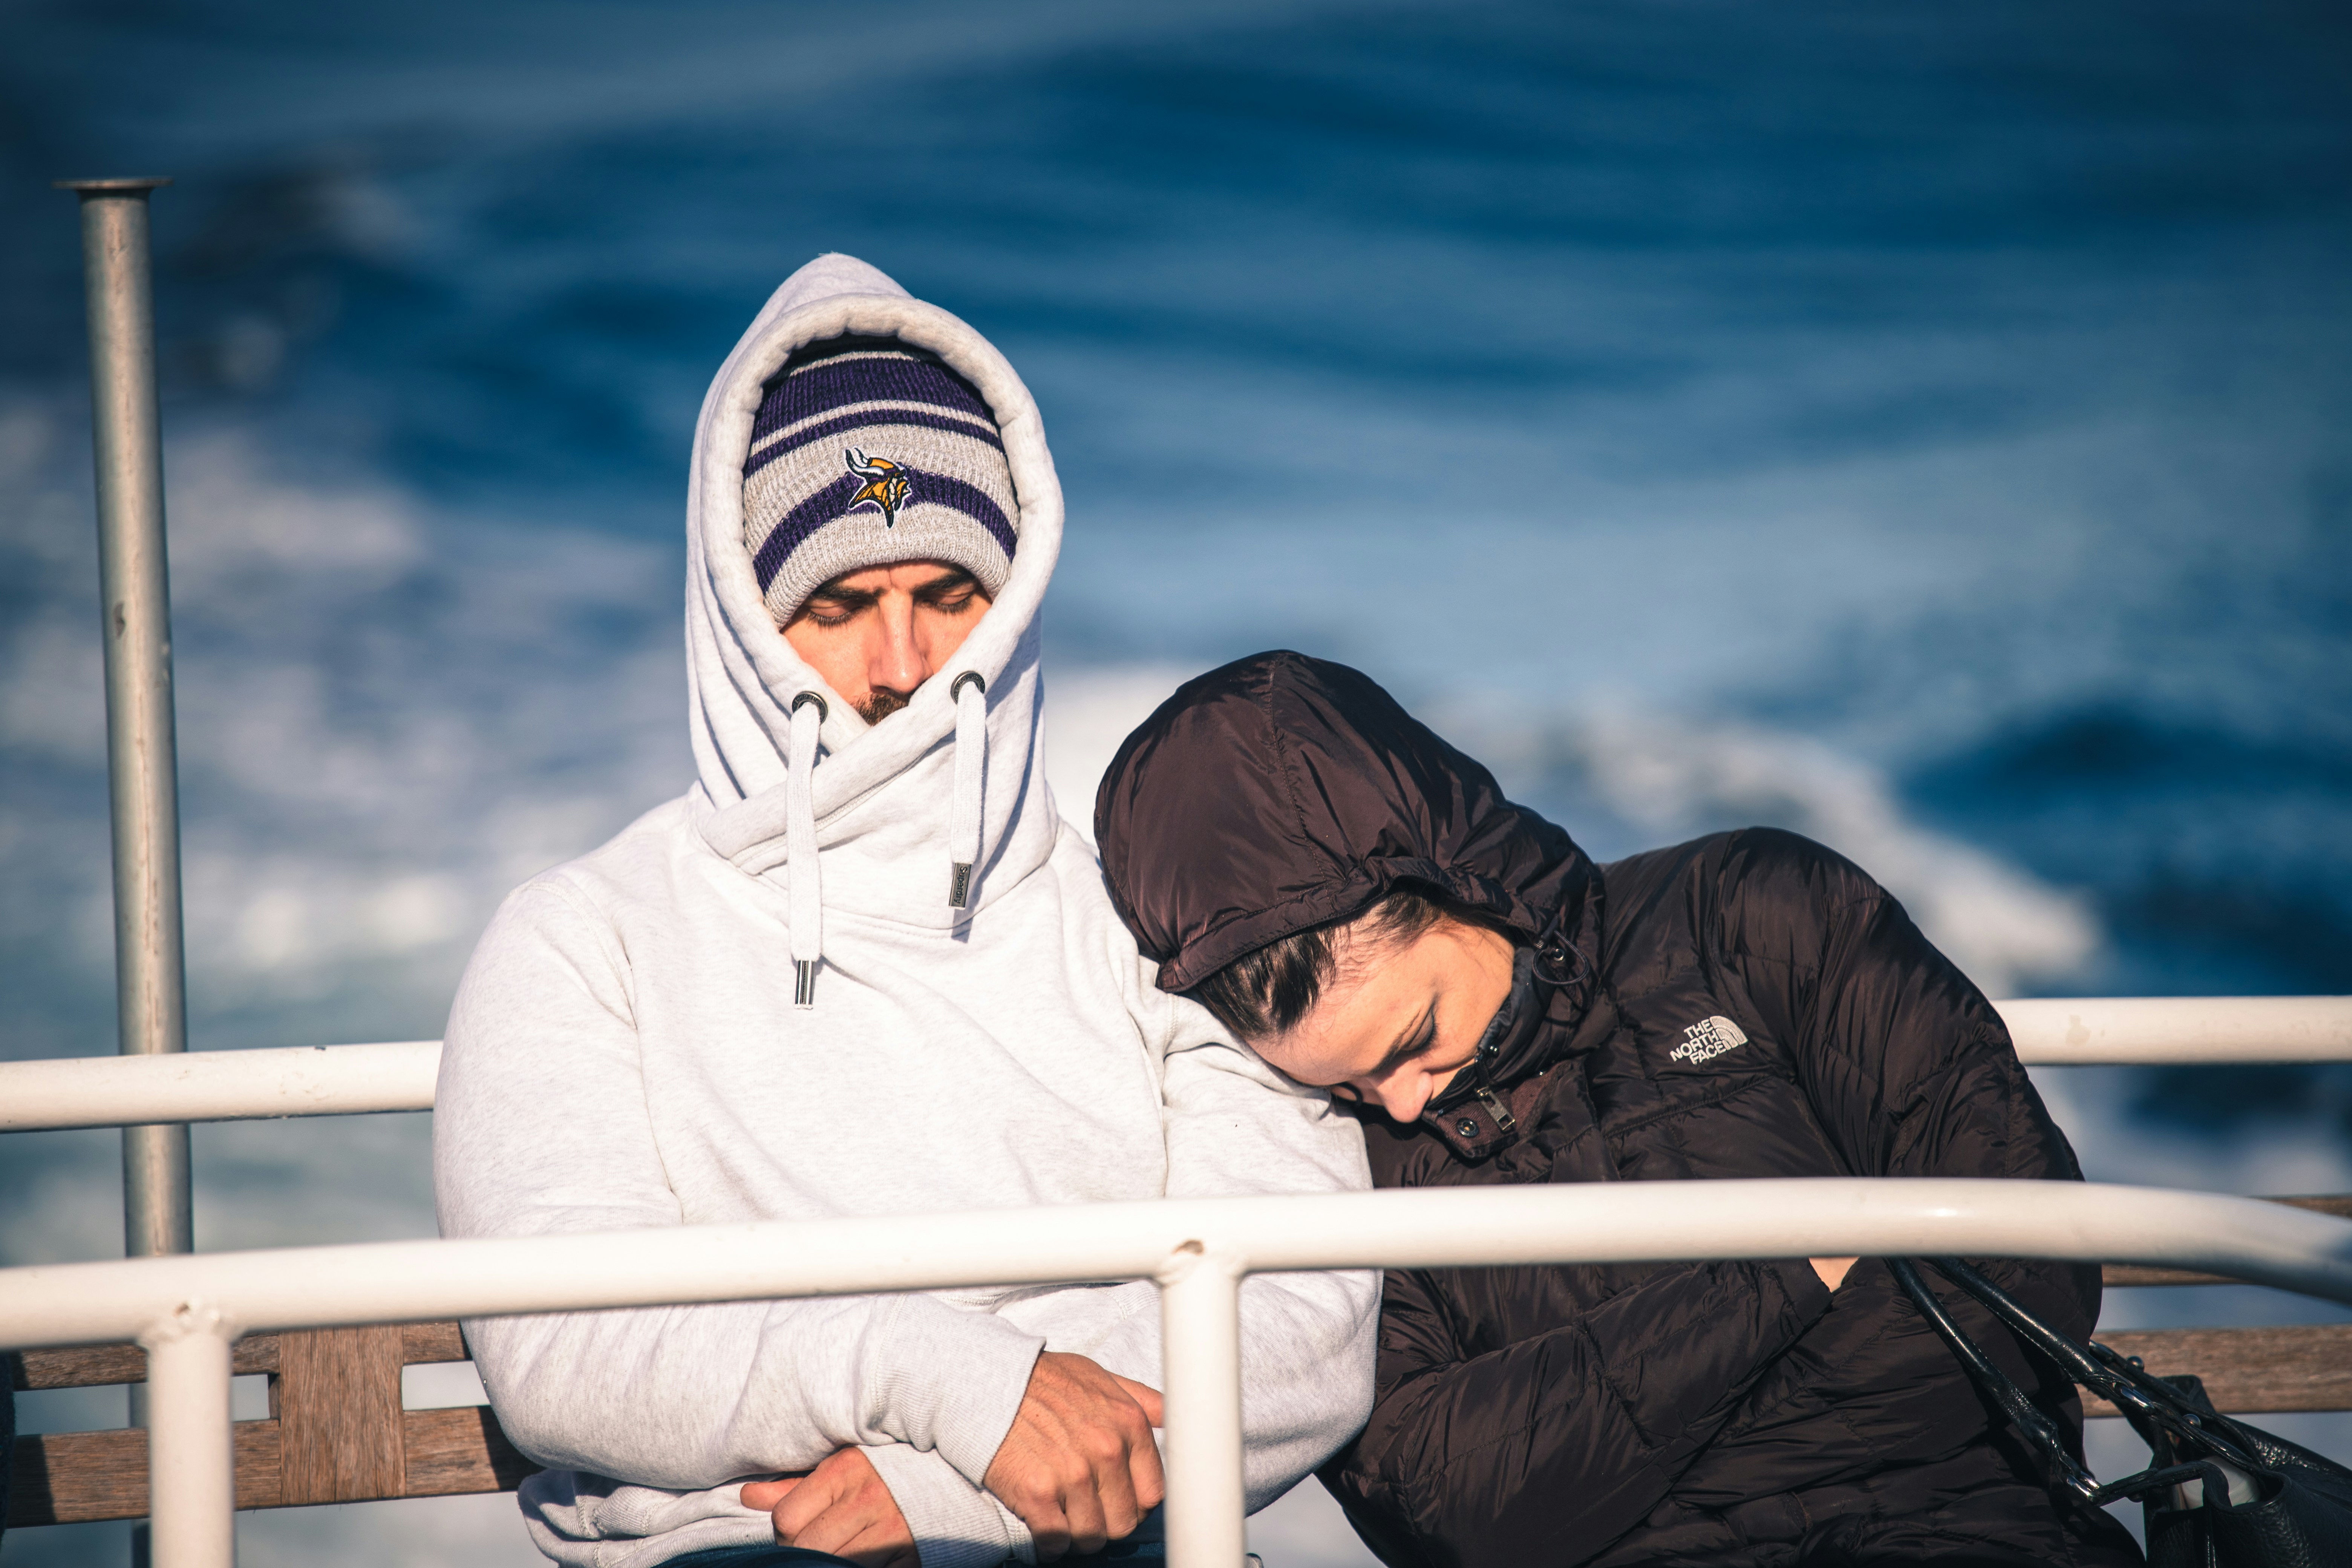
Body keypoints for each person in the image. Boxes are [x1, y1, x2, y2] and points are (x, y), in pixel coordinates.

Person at [433, 260, 1377, 1568]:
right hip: (742, 1548)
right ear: (745, 616)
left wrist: (961, 1489)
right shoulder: (584, 938)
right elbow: (566, 1354)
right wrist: (955, 1385)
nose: (904, 669)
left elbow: (1300, 1315)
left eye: (948, 597)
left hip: (1112, 1544)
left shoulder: (1152, 910)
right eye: (837, 607)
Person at [1092, 650, 2143, 1568]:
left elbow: (2025, 1280)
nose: (1400, 1105)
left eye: (1413, 1040)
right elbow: (1448, 1515)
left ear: (1463, 882)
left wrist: (1594, 1472)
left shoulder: (1759, 915)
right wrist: (1799, 1274)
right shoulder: (1329, 1151)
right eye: (1348, 1088)